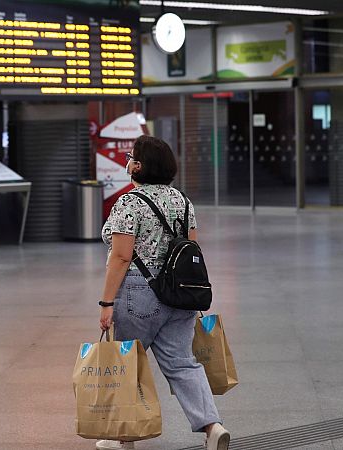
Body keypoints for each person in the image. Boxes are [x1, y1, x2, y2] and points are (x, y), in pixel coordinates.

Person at [96, 135, 230, 450]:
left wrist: (106, 302)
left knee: (129, 363)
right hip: (178, 293)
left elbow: (121, 256)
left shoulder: (129, 202)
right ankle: (213, 427)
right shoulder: (183, 201)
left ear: (139, 166)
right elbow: (190, 248)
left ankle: (125, 438)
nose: (127, 161)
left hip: (138, 294)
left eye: (130, 156)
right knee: (182, 362)